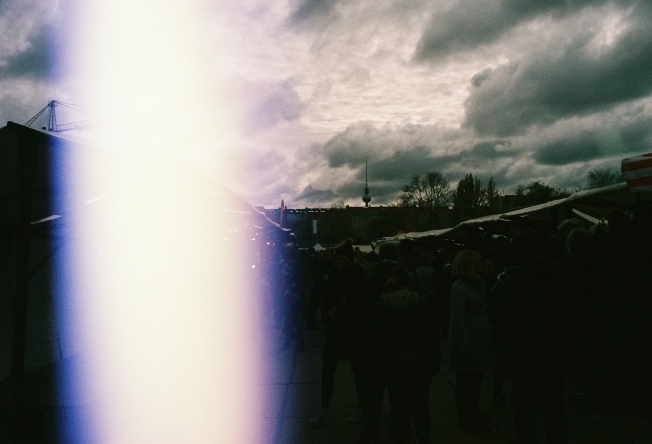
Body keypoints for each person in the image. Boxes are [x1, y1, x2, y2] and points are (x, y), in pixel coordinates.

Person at [491, 234, 569, 443]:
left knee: (523, 405)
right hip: (552, 347)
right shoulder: (554, 275)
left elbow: (500, 317)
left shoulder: (513, 278)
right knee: (554, 402)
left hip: (523, 350)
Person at [374, 265, 441, 444]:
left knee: (398, 407)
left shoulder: (381, 306)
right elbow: (433, 333)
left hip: (394, 364)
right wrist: (435, 360)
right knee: (421, 404)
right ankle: (423, 438)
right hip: (420, 363)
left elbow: (378, 340)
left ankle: (401, 438)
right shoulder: (420, 302)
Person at [309, 254, 362, 426]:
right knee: (329, 371)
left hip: (348, 329)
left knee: (356, 372)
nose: (339, 261)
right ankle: (325, 408)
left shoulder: (352, 276)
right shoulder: (333, 276)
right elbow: (323, 297)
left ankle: (360, 408)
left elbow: (353, 299)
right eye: (338, 258)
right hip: (338, 330)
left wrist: (336, 309)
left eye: (342, 258)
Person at [448, 249, 493, 434]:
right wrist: (465, 346)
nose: (480, 265)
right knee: (468, 383)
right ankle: (467, 417)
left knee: (473, 382)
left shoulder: (474, 284)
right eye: (476, 262)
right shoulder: (460, 288)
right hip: (469, 343)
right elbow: (457, 320)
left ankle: (471, 415)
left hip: (478, 341)